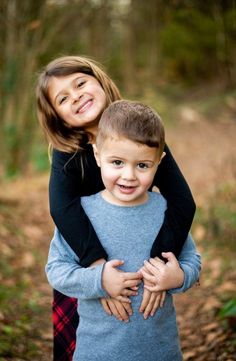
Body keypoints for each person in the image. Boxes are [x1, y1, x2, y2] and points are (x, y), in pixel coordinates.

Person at [36, 55, 196, 360]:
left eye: (80, 83)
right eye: (63, 98)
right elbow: (62, 210)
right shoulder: (66, 152)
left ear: (99, 80)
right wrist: (98, 273)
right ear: (58, 117)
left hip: (138, 262)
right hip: (87, 260)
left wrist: (157, 268)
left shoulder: (139, 133)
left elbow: (182, 202)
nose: (77, 96)